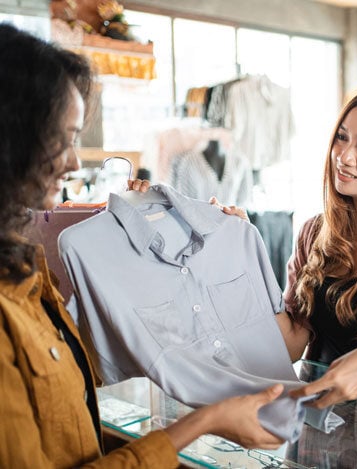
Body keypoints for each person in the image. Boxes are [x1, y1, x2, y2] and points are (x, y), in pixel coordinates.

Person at [0, 23, 284, 468]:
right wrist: (204, 422)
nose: (75, 161)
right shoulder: (25, 292)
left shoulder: (28, 277)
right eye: (63, 139)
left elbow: (71, 409)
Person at [191, 84, 357, 408]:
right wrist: (243, 252)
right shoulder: (315, 233)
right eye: (342, 137)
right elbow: (290, 346)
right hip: (318, 427)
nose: (343, 156)